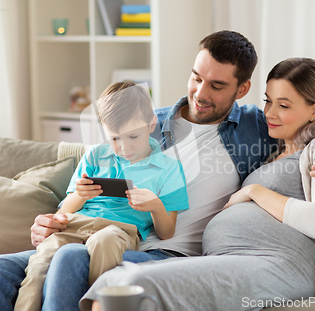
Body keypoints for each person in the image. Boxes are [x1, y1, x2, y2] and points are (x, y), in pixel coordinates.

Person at [0, 31, 315, 311]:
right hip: (101, 231)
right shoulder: (145, 122)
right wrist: (51, 221)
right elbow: (87, 180)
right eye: (197, 77)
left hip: (164, 253)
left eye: (217, 85)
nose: (200, 92)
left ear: (242, 89)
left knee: (72, 260)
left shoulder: (257, 127)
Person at [84, 57, 315, 311]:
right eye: (268, 101)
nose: (269, 113)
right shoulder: (270, 146)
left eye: (283, 106)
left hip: (273, 265)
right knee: (115, 281)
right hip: (224, 258)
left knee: (129, 284)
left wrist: (253, 191)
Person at [12, 82, 189, 311]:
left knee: (104, 241)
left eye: (133, 136)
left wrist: (155, 206)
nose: (124, 147)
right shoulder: (95, 155)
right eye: (114, 139)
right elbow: (64, 211)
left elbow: (167, 232)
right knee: (42, 259)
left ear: (151, 123)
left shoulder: (169, 167)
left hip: (119, 230)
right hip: (76, 225)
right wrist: (79, 195)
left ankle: (99, 305)